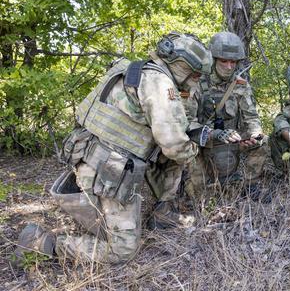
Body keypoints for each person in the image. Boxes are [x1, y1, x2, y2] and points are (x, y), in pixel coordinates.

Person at [12, 32, 212, 266]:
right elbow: (174, 146)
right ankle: (42, 243)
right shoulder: (160, 84)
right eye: (195, 74)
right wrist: (195, 152)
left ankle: (159, 213)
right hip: (109, 172)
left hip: (88, 158)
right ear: (182, 66)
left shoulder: (132, 69)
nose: (196, 80)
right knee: (123, 250)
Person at [182, 31, 268, 202]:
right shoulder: (196, 83)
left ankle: (249, 185)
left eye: (233, 62)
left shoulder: (241, 85)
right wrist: (214, 134)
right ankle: (196, 190)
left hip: (232, 140)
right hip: (202, 143)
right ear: (213, 59)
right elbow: (186, 123)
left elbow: (251, 118)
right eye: (224, 61)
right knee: (200, 197)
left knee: (264, 141)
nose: (229, 67)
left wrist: (254, 135)